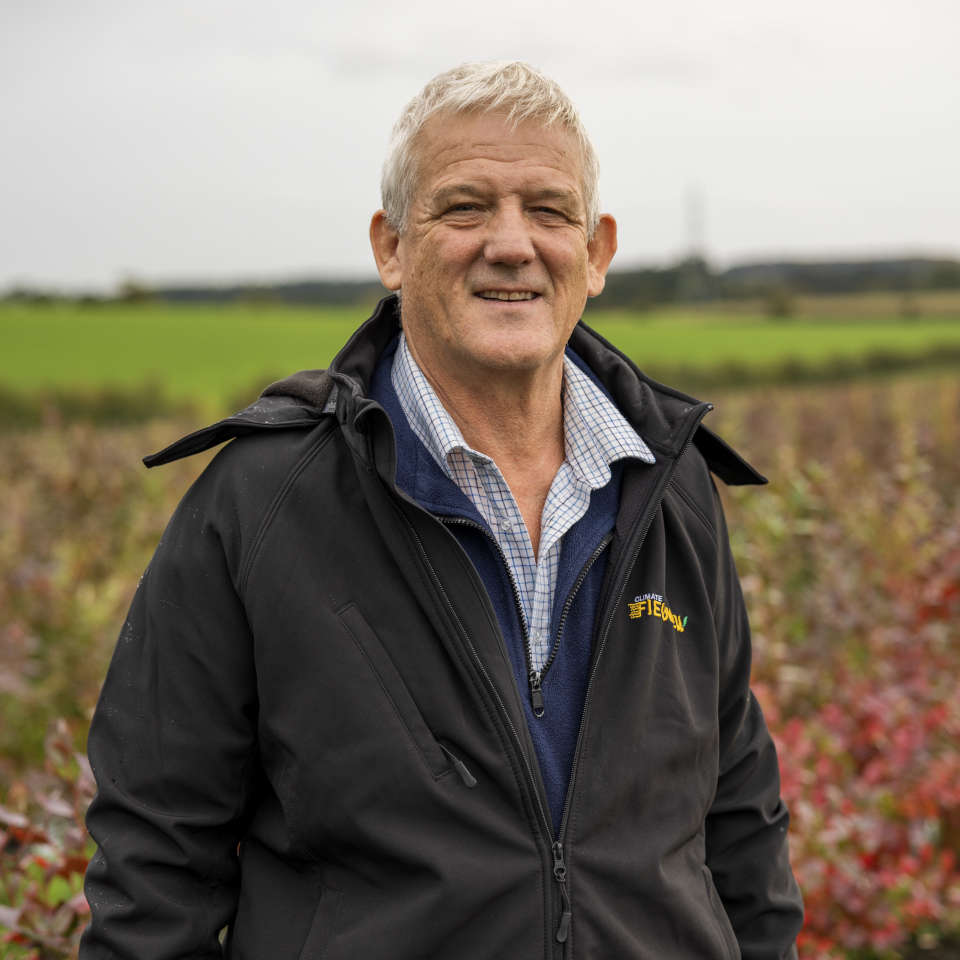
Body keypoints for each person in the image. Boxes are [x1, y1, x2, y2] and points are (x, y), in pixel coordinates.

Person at [81, 61, 803, 959]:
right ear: (391, 247)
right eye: (465, 207)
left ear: (598, 252)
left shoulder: (673, 487)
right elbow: (155, 861)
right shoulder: (260, 501)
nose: (512, 243)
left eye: (548, 210)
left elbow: (739, 825)